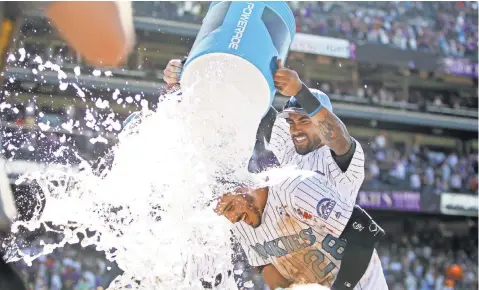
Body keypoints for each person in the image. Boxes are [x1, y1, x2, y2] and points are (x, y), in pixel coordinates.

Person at [214, 170, 388, 290]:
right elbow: (266, 267)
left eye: (230, 207)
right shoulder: (241, 222)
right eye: (223, 214)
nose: (231, 218)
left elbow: (364, 232)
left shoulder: (295, 187)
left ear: (243, 186)